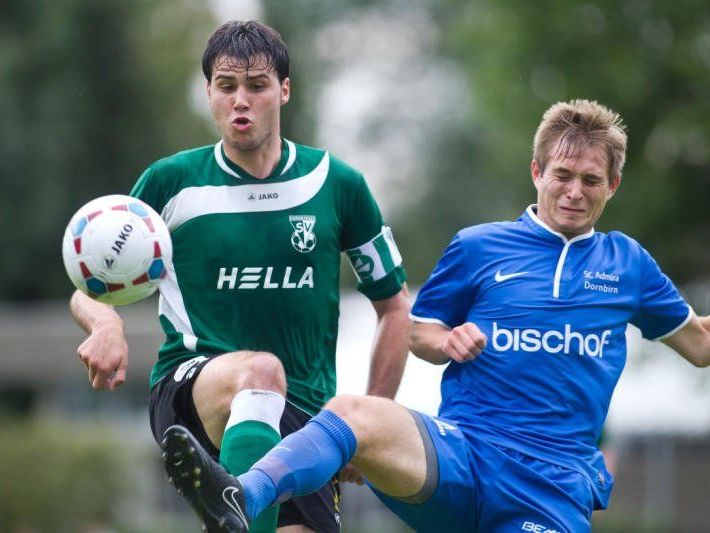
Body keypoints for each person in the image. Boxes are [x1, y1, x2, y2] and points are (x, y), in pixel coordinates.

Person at [159, 98, 710, 532]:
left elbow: (700, 345)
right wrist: (446, 340)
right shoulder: (479, 247)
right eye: (562, 174)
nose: (574, 192)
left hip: (553, 485)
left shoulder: (629, 264)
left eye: (591, 181)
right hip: (460, 455)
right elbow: (416, 329)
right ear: (537, 171)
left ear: (611, 186)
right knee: (355, 411)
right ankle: (241, 496)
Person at [69, 20, 410, 533]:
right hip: (193, 389)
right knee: (261, 373)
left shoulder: (336, 184)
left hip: (306, 419)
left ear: (284, 90)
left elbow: (395, 308)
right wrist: (106, 325)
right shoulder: (171, 183)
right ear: (209, 92)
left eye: (257, 85)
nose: (240, 101)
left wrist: (369, 421)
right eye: (226, 87)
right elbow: (89, 286)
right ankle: (242, 504)